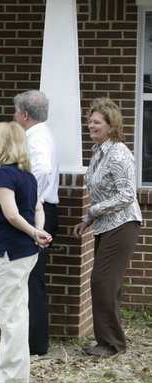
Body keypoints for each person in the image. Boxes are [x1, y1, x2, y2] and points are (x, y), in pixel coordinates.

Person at [0, 90, 59, 355]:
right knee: (23, 287)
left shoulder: (37, 139)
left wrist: (24, 190)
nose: (14, 116)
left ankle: (34, 345)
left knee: (29, 285)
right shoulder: (35, 137)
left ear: (24, 114)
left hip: (33, 214)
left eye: (15, 111)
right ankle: (26, 346)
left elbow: (43, 170)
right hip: (34, 212)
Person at [0, 122, 52, 383]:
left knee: (11, 315)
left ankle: (13, 376)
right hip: (24, 252)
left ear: (2, 145)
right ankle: (7, 367)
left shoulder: (5, 176)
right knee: (17, 312)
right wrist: (39, 231)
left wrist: (35, 233)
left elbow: (12, 215)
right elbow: (38, 207)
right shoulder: (27, 176)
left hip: (9, 252)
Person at [73, 97, 142, 357]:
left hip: (123, 224)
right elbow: (101, 194)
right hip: (105, 225)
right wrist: (87, 221)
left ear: (111, 126)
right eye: (89, 121)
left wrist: (93, 211)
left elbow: (127, 195)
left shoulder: (119, 153)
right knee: (108, 284)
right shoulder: (97, 152)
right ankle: (108, 342)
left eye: (96, 122)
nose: (90, 126)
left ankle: (112, 344)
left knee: (103, 281)